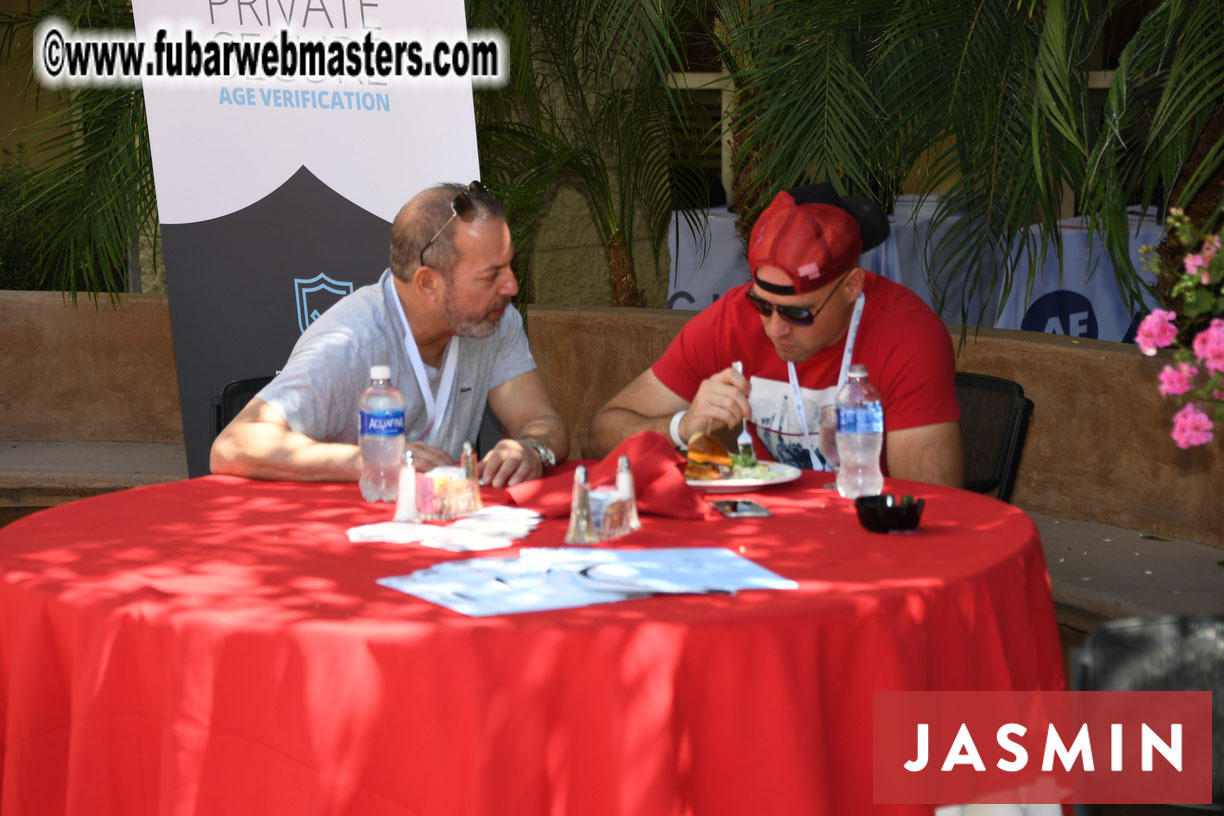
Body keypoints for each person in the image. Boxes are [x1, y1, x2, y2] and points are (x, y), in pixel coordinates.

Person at [586, 184, 963, 487]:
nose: (774, 328)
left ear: (851, 287)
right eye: (763, 305)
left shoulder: (906, 335)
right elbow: (600, 437)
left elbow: (938, 504)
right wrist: (681, 428)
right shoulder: (730, 320)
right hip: (768, 536)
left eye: (798, 312)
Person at [210, 181, 569, 488]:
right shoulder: (352, 342)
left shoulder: (494, 320)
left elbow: (541, 420)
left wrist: (532, 449)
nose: (512, 286)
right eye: (491, 275)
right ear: (428, 283)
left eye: (510, 266)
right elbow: (233, 446)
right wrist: (376, 460)